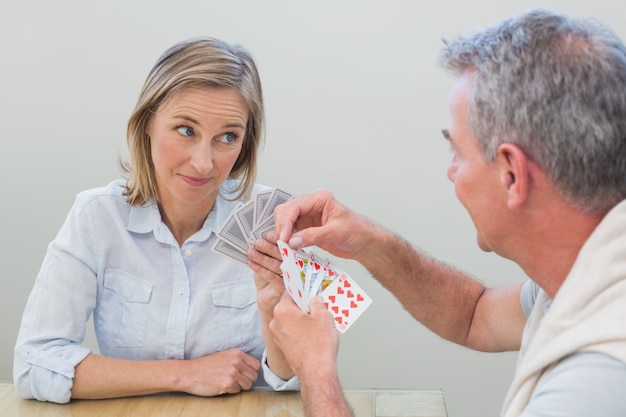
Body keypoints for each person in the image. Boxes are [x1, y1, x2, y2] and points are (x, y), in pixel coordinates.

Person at [255, 9, 626, 417]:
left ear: (511, 175)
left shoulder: (596, 381)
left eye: (457, 152)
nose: (451, 172)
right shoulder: (586, 273)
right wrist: (369, 241)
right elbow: (474, 315)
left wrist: (315, 369)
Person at [13, 36, 297, 404]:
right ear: (148, 122)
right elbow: (34, 364)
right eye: (186, 130)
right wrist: (186, 374)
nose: (203, 163)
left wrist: (274, 313)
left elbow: (295, 385)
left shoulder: (270, 222)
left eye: (227, 137)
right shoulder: (96, 217)